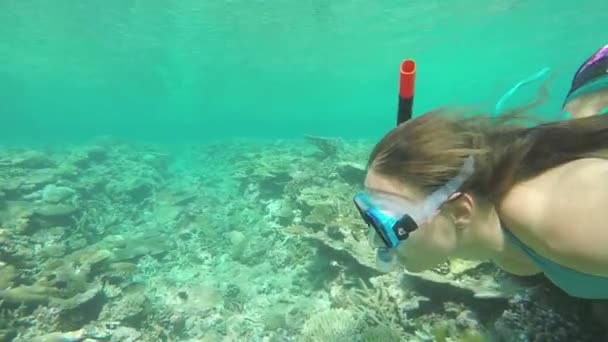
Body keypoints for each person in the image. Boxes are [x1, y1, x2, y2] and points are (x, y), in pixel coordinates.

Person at [353, 45, 608, 299]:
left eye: (388, 223)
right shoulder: (501, 246)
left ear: (462, 210)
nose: (376, 241)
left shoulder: (562, 218)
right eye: (371, 216)